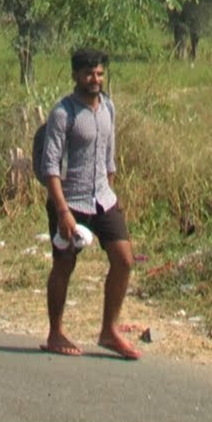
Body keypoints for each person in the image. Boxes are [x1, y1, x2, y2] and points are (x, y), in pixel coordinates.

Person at [39, 48, 140, 360]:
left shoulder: (108, 107)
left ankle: (109, 331)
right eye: (88, 74)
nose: (94, 79)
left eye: (99, 73)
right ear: (75, 75)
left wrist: (110, 192)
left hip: (103, 199)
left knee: (124, 260)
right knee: (64, 265)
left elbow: (109, 157)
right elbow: (50, 166)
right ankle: (55, 332)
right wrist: (63, 212)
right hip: (70, 202)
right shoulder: (63, 113)